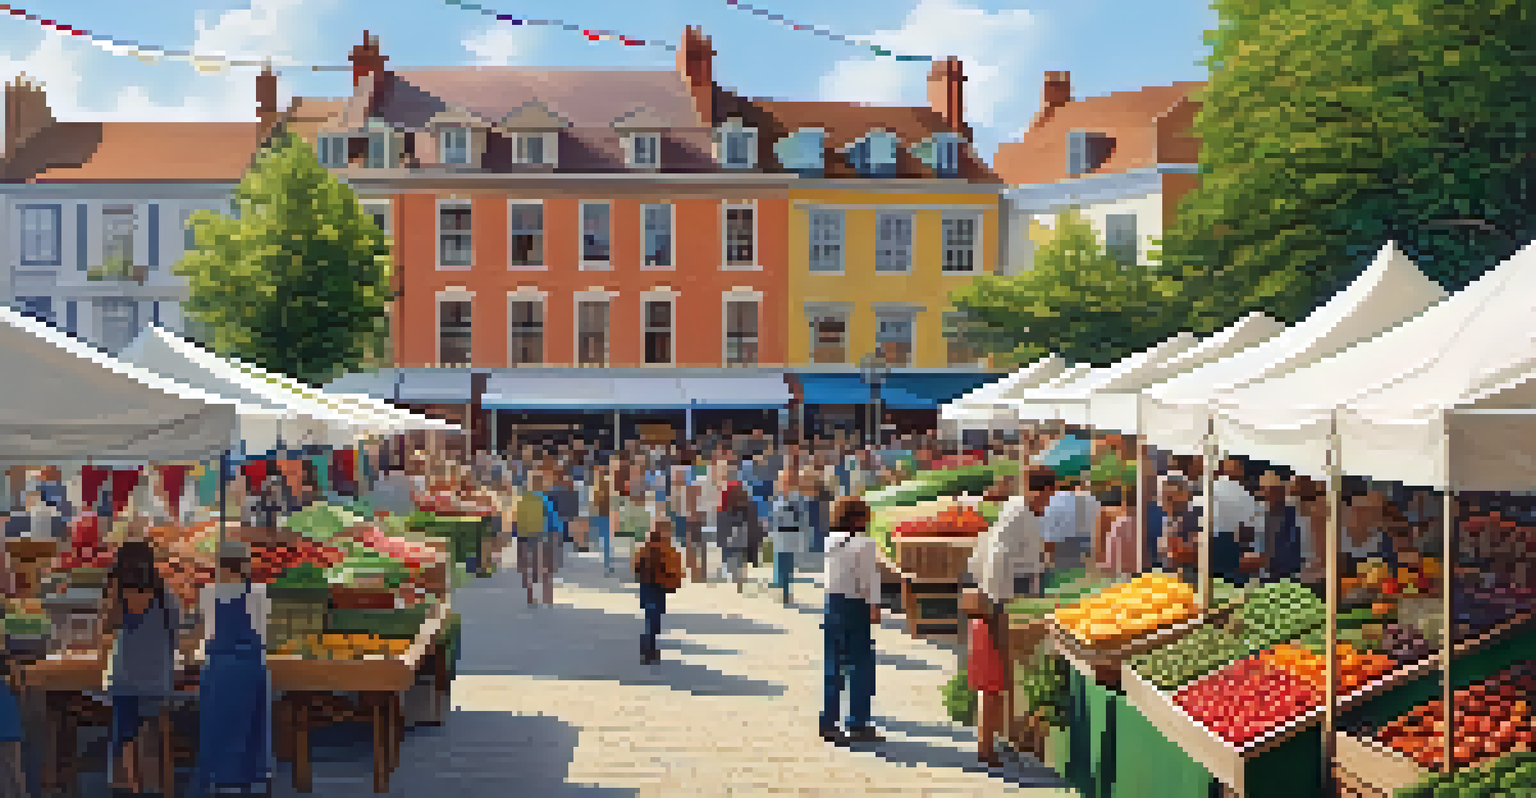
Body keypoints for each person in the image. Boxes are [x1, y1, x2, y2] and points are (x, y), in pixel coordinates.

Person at [102, 540, 184, 793]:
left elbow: (107, 626)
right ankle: (152, 786)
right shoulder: (166, 597)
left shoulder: (119, 599)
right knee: (151, 734)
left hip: (125, 681)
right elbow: (176, 635)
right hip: (157, 680)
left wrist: (114, 589)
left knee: (124, 735)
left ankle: (127, 786)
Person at [197, 541, 272, 793]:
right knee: (249, 731)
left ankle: (221, 783)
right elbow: (263, 634)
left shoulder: (208, 593)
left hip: (221, 671)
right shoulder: (259, 593)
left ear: (220, 565)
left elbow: (207, 634)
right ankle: (250, 782)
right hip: (251, 670)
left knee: (219, 730)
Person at [821, 496, 882, 745]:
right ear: (858, 518)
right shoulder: (864, 544)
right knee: (860, 664)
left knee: (833, 663)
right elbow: (868, 578)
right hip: (855, 603)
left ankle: (829, 722)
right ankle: (857, 722)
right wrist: (874, 605)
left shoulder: (830, 541)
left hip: (832, 602)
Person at [962, 587, 1008, 768]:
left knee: (987, 688)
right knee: (991, 688)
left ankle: (985, 745)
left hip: (981, 618)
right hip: (992, 621)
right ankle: (987, 747)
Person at [633, 516, 684, 664]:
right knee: (653, 618)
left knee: (653, 618)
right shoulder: (660, 548)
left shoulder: (649, 548)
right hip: (654, 587)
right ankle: (649, 648)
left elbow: (637, 566)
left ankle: (649, 647)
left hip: (653, 587)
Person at [768, 472, 812, 605]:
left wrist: (803, 537)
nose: (784, 485)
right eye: (782, 482)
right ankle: (781, 590)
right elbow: (774, 518)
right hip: (779, 535)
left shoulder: (797, 499)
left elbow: (802, 519)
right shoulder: (777, 499)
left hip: (791, 535)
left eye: (786, 482)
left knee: (787, 566)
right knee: (780, 564)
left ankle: (786, 593)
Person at [1256, 471, 1304, 581]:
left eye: (1270, 490)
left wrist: (1265, 559)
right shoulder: (1261, 515)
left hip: (1289, 577)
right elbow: (1258, 543)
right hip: (1265, 575)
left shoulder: (1294, 515)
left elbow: (1295, 552)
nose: (1266, 494)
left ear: (1281, 492)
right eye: (1264, 490)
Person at [716, 481, 760, 593]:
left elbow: (721, 523)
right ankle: (739, 581)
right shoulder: (746, 504)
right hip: (741, 533)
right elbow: (753, 521)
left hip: (735, 533)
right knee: (740, 558)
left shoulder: (725, 507)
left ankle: (738, 580)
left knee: (735, 558)